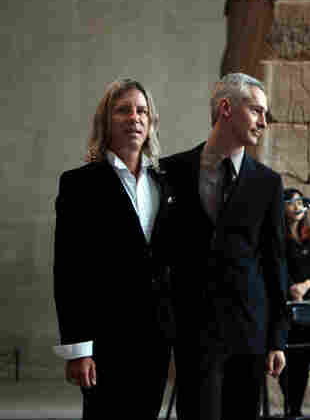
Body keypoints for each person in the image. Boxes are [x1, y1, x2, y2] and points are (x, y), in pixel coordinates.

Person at [162, 72, 288, 420]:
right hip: (193, 332)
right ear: (226, 108)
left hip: (249, 333)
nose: (264, 122)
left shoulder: (268, 183)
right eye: (256, 111)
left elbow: (275, 263)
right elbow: (160, 256)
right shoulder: (171, 172)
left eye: (265, 113)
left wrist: (278, 337)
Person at [53, 79, 174, 419]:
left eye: (142, 111)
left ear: (150, 124)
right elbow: (68, 272)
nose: (134, 117)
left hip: (155, 340)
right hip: (105, 341)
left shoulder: (165, 184)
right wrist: (78, 349)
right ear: (106, 122)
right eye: (123, 110)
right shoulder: (80, 184)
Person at [280, 188, 310, 418]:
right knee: (287, 356)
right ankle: (290, 406)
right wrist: (291, 288)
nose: (297, 206)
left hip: (309, 305)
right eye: (291, 202)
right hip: (287, 305)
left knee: (304, 359)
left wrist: (306, 285)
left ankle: (296, 409)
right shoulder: (278, 236)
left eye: (300, 202)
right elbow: (276, 266)